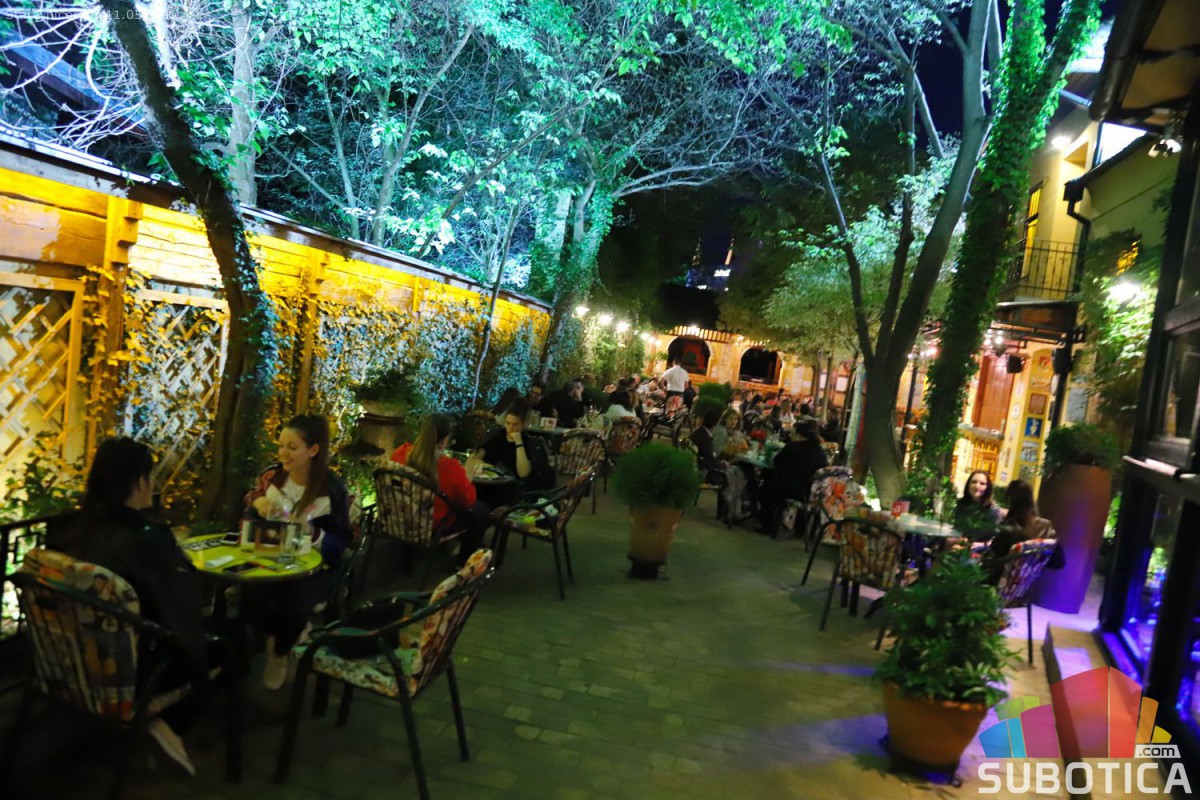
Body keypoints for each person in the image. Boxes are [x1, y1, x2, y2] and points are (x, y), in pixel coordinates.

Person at [68, 437, 208, 775]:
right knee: (229, 643)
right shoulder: (146, 536)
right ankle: (168, 726)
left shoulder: (79, 529)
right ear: (140, 482)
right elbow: (181, 603)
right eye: (151, 477)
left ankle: (161, 728)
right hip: (135, 668)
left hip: (74, 659)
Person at [244, 414, 351, 690]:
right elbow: (250, 521)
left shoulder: (332, 490)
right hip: (272, 557)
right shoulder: (273, 478)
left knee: (295, 601)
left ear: (313, 450)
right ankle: (281, 636)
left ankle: (280, 651)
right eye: (281, 445)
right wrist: (257, 507)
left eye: (292, 447)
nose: (283, 453)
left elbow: (341, 543)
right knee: (250, 593)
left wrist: (312, 533)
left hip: (313, 568)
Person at [391, 415, 487, 566]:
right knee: (480, 511)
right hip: (432, 525)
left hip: (399, 516)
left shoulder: (400, 453)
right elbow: (467, 501)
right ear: (444, 440)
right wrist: (468, 477)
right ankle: (463, 561)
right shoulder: (449, 467)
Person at [759, 418, 828, 537]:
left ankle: (768, 525)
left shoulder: (793, 447)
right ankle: (799, 529)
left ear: (800, 435)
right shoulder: (821, 453)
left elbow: (777, 462)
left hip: (788, 487)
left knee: (766, 487)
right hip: (809, 492)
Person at [989, 479, 1055, 559]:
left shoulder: (1009, 529)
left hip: (1009, 566)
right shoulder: (1046, 526)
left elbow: (993, 554)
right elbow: (1057, 561)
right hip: (1036, 567)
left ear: (1010, 500)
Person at [689, 409, 728, 518]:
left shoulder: (698, 433)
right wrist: (722, 465)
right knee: (728, 477)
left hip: (695, 466)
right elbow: (709, 461)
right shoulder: (705, 438)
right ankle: (723, 512)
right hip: (701, 471)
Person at [953, 470, 1006, 541]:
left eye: (982, 483)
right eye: (974, 482)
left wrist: (980, 545)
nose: (977, 486)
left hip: (982, 546)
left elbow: (996, 538)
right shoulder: (960, 504)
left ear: (988, 488)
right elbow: (954, 528)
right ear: (968, 485)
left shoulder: (993, 510)